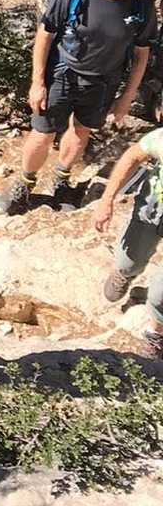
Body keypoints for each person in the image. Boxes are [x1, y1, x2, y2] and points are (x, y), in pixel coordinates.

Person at [0, 0, 158, 215]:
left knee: (81, 130)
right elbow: (45, 36)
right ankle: (24, 183)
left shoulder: (141, 5)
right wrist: (37, 83)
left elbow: (141, 54)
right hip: (63, 73)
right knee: (43, 132)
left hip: (104, 80)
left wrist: (126, 98)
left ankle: (62, 180)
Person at [95, 128, 163, 359]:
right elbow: (132, 156)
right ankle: (125, 273)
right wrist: (107, 200)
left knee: (159, 294)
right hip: (153, 208)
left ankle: (156, 334)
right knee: (128, 260)